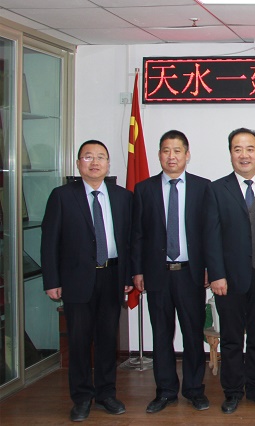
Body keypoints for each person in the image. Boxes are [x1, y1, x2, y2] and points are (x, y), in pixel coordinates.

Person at [41, 140, 132, 422]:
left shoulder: (122, 196)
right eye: (88, 157)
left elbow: (129, 240)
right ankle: (81, 398)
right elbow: (49, 241)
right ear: (79, 163)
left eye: (101, 157)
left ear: (108, 164)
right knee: (79, 341)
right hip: (76, 279)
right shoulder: (62, 196)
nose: (95, 162)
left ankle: (106, 394)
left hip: (112, 276)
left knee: (107, 339)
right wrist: (51, 280)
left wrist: (128, 275)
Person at [131, 130, 211, 413]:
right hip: (157, 274)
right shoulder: (144, 189)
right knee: (161, 335)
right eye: (166, 151)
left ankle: (194, 389)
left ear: (187, 155)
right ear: (159, 155)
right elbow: (137, 235)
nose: (172, 156)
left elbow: (209, 233)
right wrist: (137, 270)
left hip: (191, 273)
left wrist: (209, 268)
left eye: (177, 151)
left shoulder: (203, 187)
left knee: (192, 335)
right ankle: (165, 391)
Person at [204, 128, 255, 414]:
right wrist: (216, 274)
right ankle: (233, 392)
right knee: (232, 339)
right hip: (229, 280)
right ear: (230, 154)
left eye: (249, 149)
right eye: (237, 149)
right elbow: (211, 236)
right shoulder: (216, 189)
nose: (244, 155)